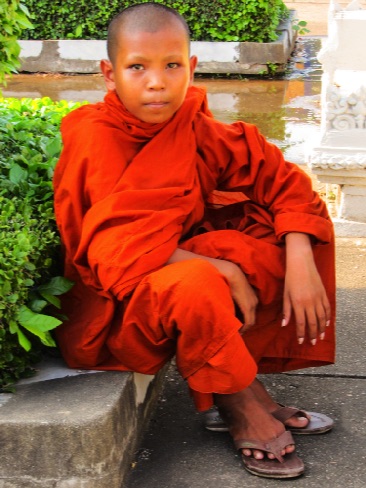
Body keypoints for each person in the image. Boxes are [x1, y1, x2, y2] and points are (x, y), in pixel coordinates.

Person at [53, 2, 336, 479]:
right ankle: (238, 400)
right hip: (116, 312)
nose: (157, 82)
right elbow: (111, 257)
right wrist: (221, 268)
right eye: (137, 67)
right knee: (201, 280)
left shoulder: (193, 125)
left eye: (172, 66)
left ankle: (240, 379)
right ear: (109, 73)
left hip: (171, 275)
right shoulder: (95, 139)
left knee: (286, 229)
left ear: (192, 68)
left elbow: (280, 178)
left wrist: (301, 256)